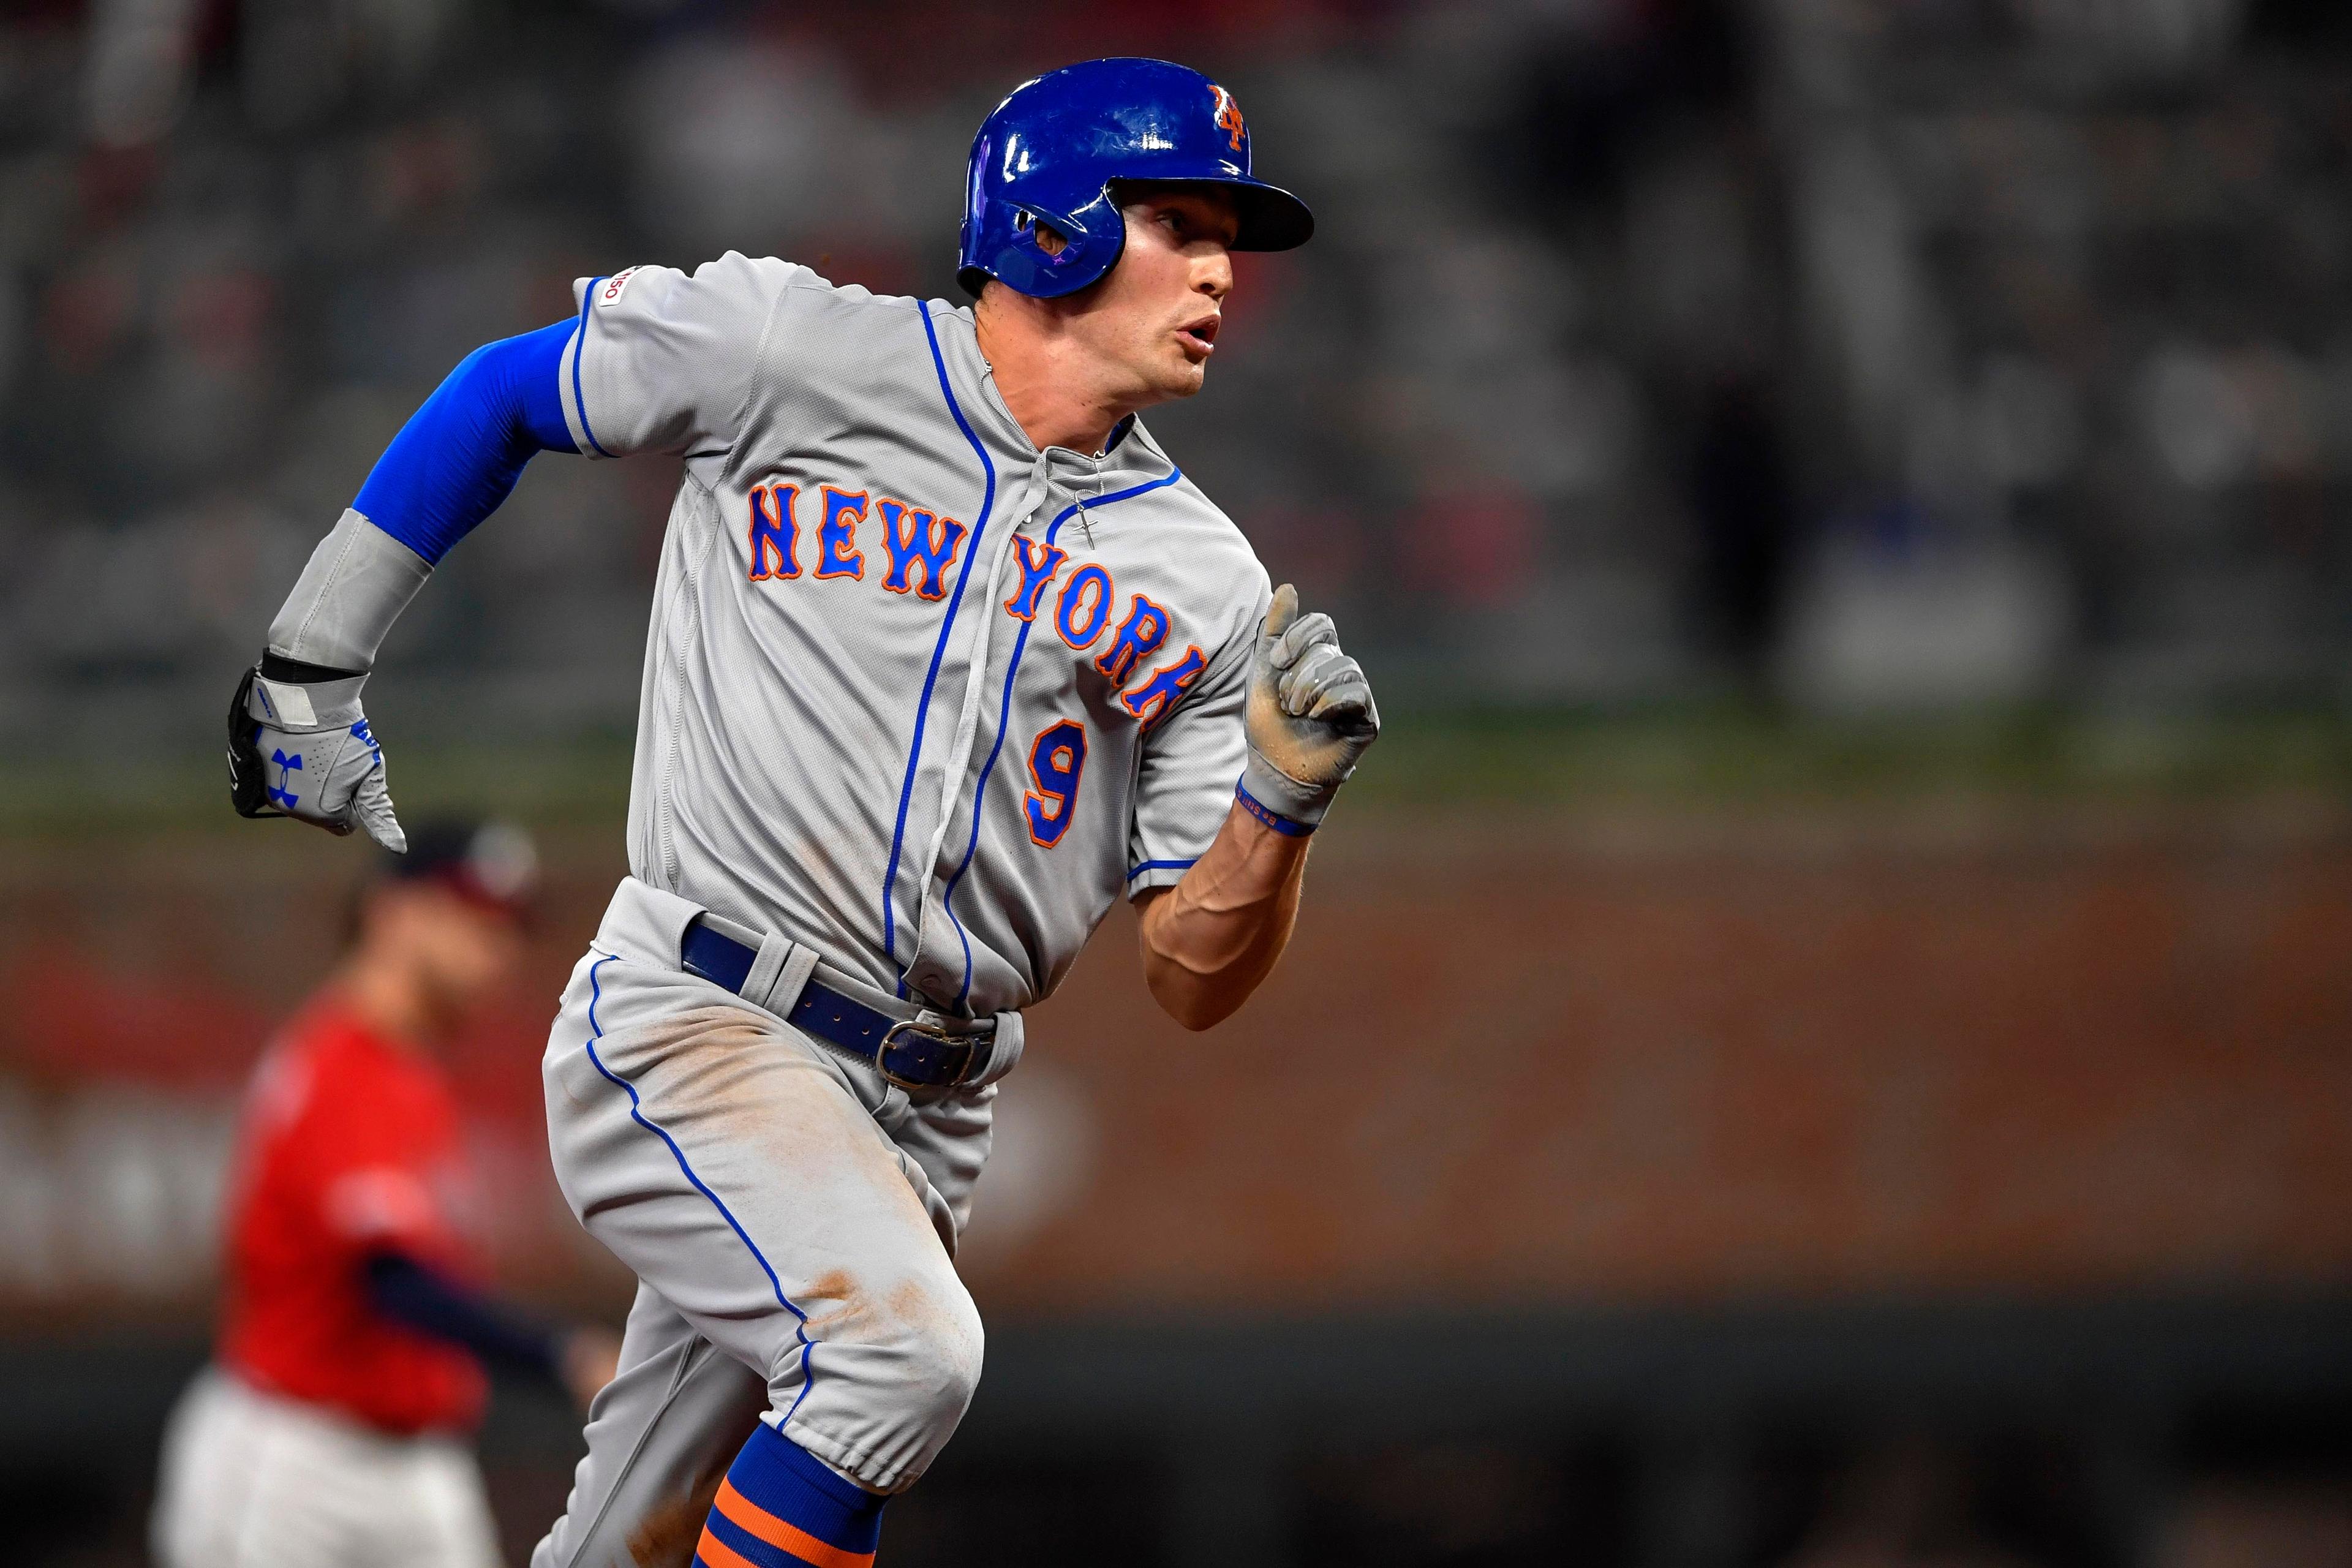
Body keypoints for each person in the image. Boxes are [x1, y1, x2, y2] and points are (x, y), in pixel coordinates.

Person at [224, 57, 1379, 1567]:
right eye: (1178, 219)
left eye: (1228, 233)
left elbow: (1188, 968)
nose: (1222, 267)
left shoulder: (1207, 580)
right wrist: (311, 662)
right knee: (903, 1357)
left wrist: (1279, 807)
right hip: (702, 1016)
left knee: (625, 1535)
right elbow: (505, 390)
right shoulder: (792, 345)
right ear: (1052, 222)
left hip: (926, 1109)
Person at [153, 821, 621, 1568]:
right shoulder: (341, 1064)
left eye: (508, 927)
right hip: (297, 1462)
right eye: (469, 916)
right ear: (390, 910)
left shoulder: (409, 1070)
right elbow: (392, 1284)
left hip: (420, 1462)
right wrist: (563, 1354)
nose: (497, 948)